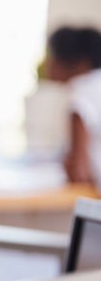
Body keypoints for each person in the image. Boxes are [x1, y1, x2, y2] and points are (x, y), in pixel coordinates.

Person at [45, 25, 101, 185]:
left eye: (54, 56)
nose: (49, 63)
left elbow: (80, 171)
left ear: (79, 62)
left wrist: (69, 165)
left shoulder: (81, 93)